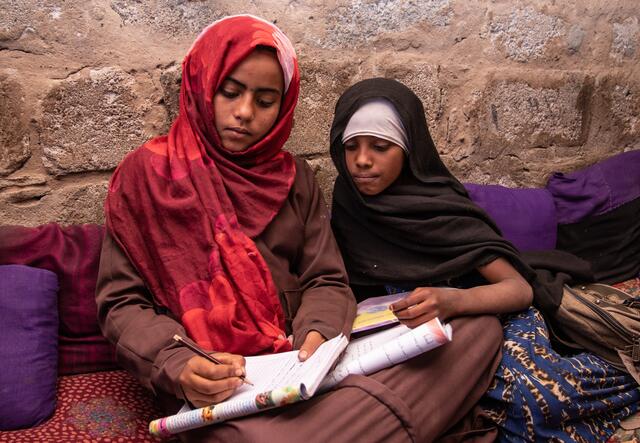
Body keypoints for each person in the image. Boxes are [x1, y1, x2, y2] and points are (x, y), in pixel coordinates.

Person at [96, 16, 504, 443]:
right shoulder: (146, 177)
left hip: (301, 366)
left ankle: (347, 420)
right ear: (200, 86)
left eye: (265, 100)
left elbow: (325, 277)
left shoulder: (295, 179)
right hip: (218, 385)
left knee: (477, 331)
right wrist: (177, 364)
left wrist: (317, 338)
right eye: (229, 92)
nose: (244, 113)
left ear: (284, 105)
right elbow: (121, 303)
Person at [329, 77, 640, 442]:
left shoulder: (437, 205)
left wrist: (453, 301)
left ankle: (627, 382)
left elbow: (518, 289)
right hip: (410, 336)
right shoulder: (350, 207)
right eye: (351, 147)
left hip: (487, 313)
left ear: (410, 149)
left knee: (537, 399)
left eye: (381, 147)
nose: (362, 161)